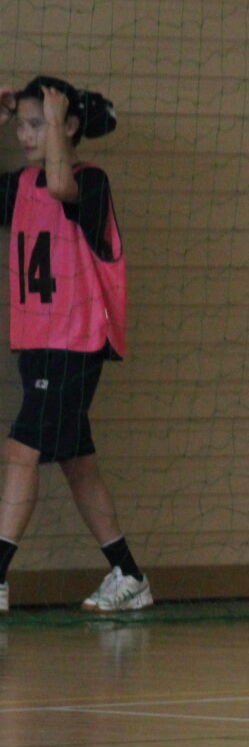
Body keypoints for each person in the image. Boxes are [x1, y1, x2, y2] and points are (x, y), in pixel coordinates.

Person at [0, 76, 149, 614]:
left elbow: (63, 187)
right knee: (77, 463)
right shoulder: (17, 187)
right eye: (20, 124)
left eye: (37, 124)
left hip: (76, 340)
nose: (23, 134)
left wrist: (61, 123)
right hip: (37, 342)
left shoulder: (92, 180)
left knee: (19, 450)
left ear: (68, 128)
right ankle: (129, 575)